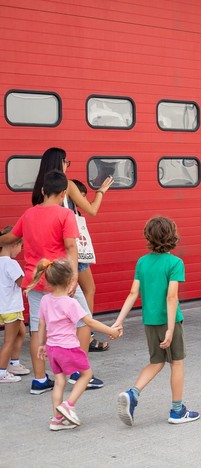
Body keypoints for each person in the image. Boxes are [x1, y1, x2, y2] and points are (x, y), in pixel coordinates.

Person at [0, 171, 103, 394]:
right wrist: (74, 276)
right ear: (64, 193)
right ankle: (78, 373)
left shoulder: (28, 214)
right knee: (83, 322)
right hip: (60, 279)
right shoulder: (65, 215)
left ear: (44, 191)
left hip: (35, 279)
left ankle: (39, 380)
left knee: (37, 328)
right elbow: (70, 247)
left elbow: (9, 239)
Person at [31, 147, 114, 386]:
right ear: (61, 162)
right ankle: (82, 351)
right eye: (67, 161)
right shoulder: (67, 184)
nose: (69, 164)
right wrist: (101, 192)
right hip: (70, 251)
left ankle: (40, 378)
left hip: (45, 257)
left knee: (39, 320)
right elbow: (92, 210)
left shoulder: (40, 188)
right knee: (87, 299)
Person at [114, 217, 200, 425]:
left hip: (150, 321)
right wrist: (171, 329)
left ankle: (133, 393)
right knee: (177, 363)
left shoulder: (142, 262)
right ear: (173, 236)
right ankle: (177, 411)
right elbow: (172, 297)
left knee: (157, 361)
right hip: (169, 322)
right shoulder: (175, 263)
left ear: (148, 236)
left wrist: (118, 321)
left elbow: (133, 293)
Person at [29, 258, 120, 430]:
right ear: (70, 281)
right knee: (86, 375)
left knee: (59, 381)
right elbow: (89, 323)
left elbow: (41, 325)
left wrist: (41, 345)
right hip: (68, 348)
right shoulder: (71, 303)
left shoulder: (45, 300)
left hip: (53, 348)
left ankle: (56, 420)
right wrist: (111, 331)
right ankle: (68, 405)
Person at [68, 179, 109, 352]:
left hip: (66, 252)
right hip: (74, 252)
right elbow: (92, 209)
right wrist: (100, 192)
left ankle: (80, 333)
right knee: (88, 290)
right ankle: (86, 335)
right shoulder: (68, 190)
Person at [0, 227, 29, 383]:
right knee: (9, 341)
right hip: (12, 308)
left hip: (3, 308)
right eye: (20, 246)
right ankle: (2, 372)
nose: (20, 250)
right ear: (13, 244)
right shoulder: (11, 264)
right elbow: (22, 283)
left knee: (21, 332)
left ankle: (14, 363)